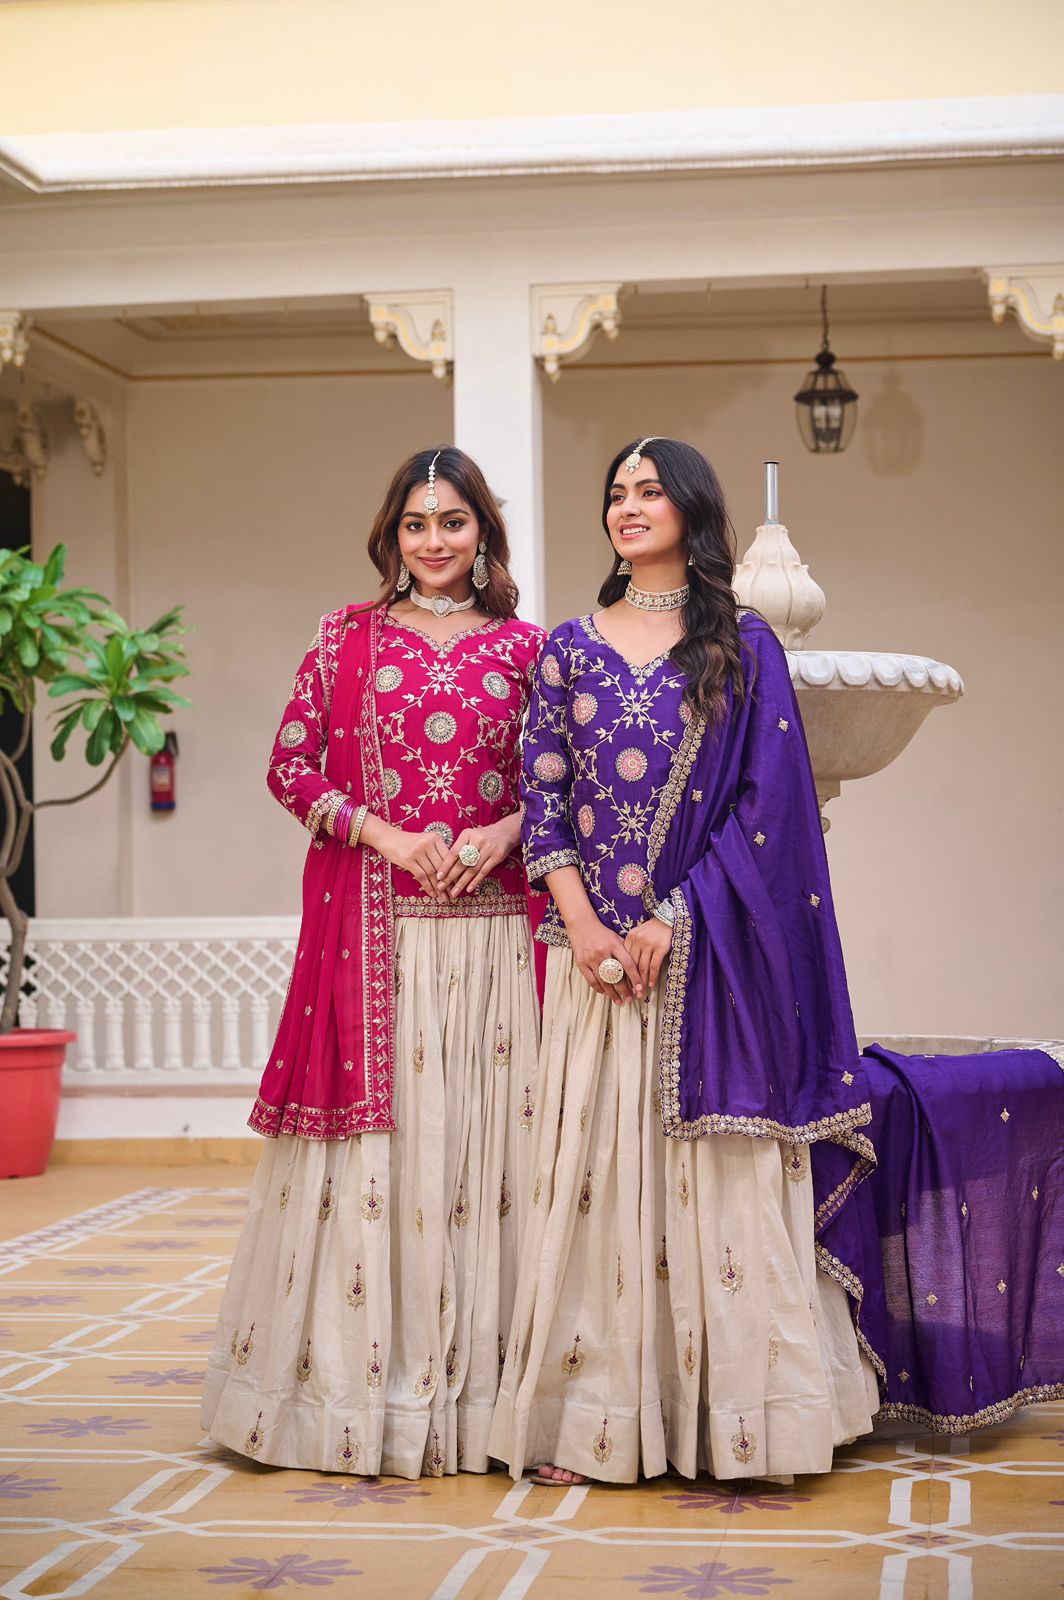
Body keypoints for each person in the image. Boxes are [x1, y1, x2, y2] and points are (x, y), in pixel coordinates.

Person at [489, 436, 880, 1486]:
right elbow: (544, 801)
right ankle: (590, 1422)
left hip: (707, 965)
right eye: (614, 491)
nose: (626, 506)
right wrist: (580, 927)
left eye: (648, 490)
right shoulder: (565, 649)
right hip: (593, 973)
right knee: (593, 1189)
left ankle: (735, 1425)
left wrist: (670, 916)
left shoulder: (740, 646)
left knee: (713, 1187)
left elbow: (767, 810)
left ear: (690, 509)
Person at [202, 447, 545, 1478]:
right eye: (414, 524)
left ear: (482, 531)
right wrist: (388, 836)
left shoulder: (535, 649)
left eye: (451, 522)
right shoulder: (341, 639)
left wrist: (503, 830)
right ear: (391, 536)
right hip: (378, 943)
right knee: (385, 1165)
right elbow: (288, 766)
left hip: (493, 939)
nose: (433, 541)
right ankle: (361, 1401)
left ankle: (493, 1401)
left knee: (494, 1160)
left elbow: (564, 784)